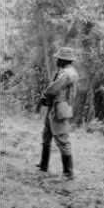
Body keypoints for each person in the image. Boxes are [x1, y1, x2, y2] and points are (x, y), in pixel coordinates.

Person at [35, 47, 79, 180]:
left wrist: (43, 97)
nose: (56, 61)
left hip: (59, 108)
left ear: (63, 60)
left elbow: (53, 89)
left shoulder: (66, 74)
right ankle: (43, 165)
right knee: (46, 134)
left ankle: (68, 173)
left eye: (58, 59)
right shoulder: (66, 72)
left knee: (62, 139)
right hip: (54, 107)